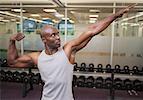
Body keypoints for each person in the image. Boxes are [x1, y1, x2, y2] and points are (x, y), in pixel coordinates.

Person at [7, 4, 135, 100]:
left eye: (58, 34)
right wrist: (12, 41)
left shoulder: (68, 51)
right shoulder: (37, 57)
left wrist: (115, 16)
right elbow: (12, 62)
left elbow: (92, 30)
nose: (58, 37)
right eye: (53, 35)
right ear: (43, 39)